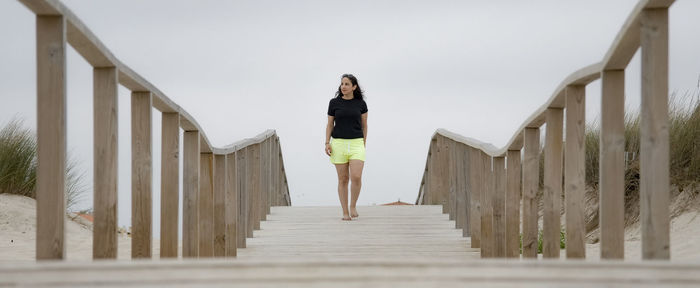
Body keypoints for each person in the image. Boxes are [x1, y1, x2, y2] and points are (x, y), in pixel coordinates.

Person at [325, 74, 368, 221]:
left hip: (357, 143)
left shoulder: (361, 104)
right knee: (343, 179)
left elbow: (364, 125)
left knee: (356, 177)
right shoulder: (334, 103)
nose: (343, 86)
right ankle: (345, 212)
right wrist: (326, 142)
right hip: (338, 143)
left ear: (354, 87)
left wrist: (364, 143)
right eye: (342, 84)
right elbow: (330, 124)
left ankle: (353, 205)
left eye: (347, 84)